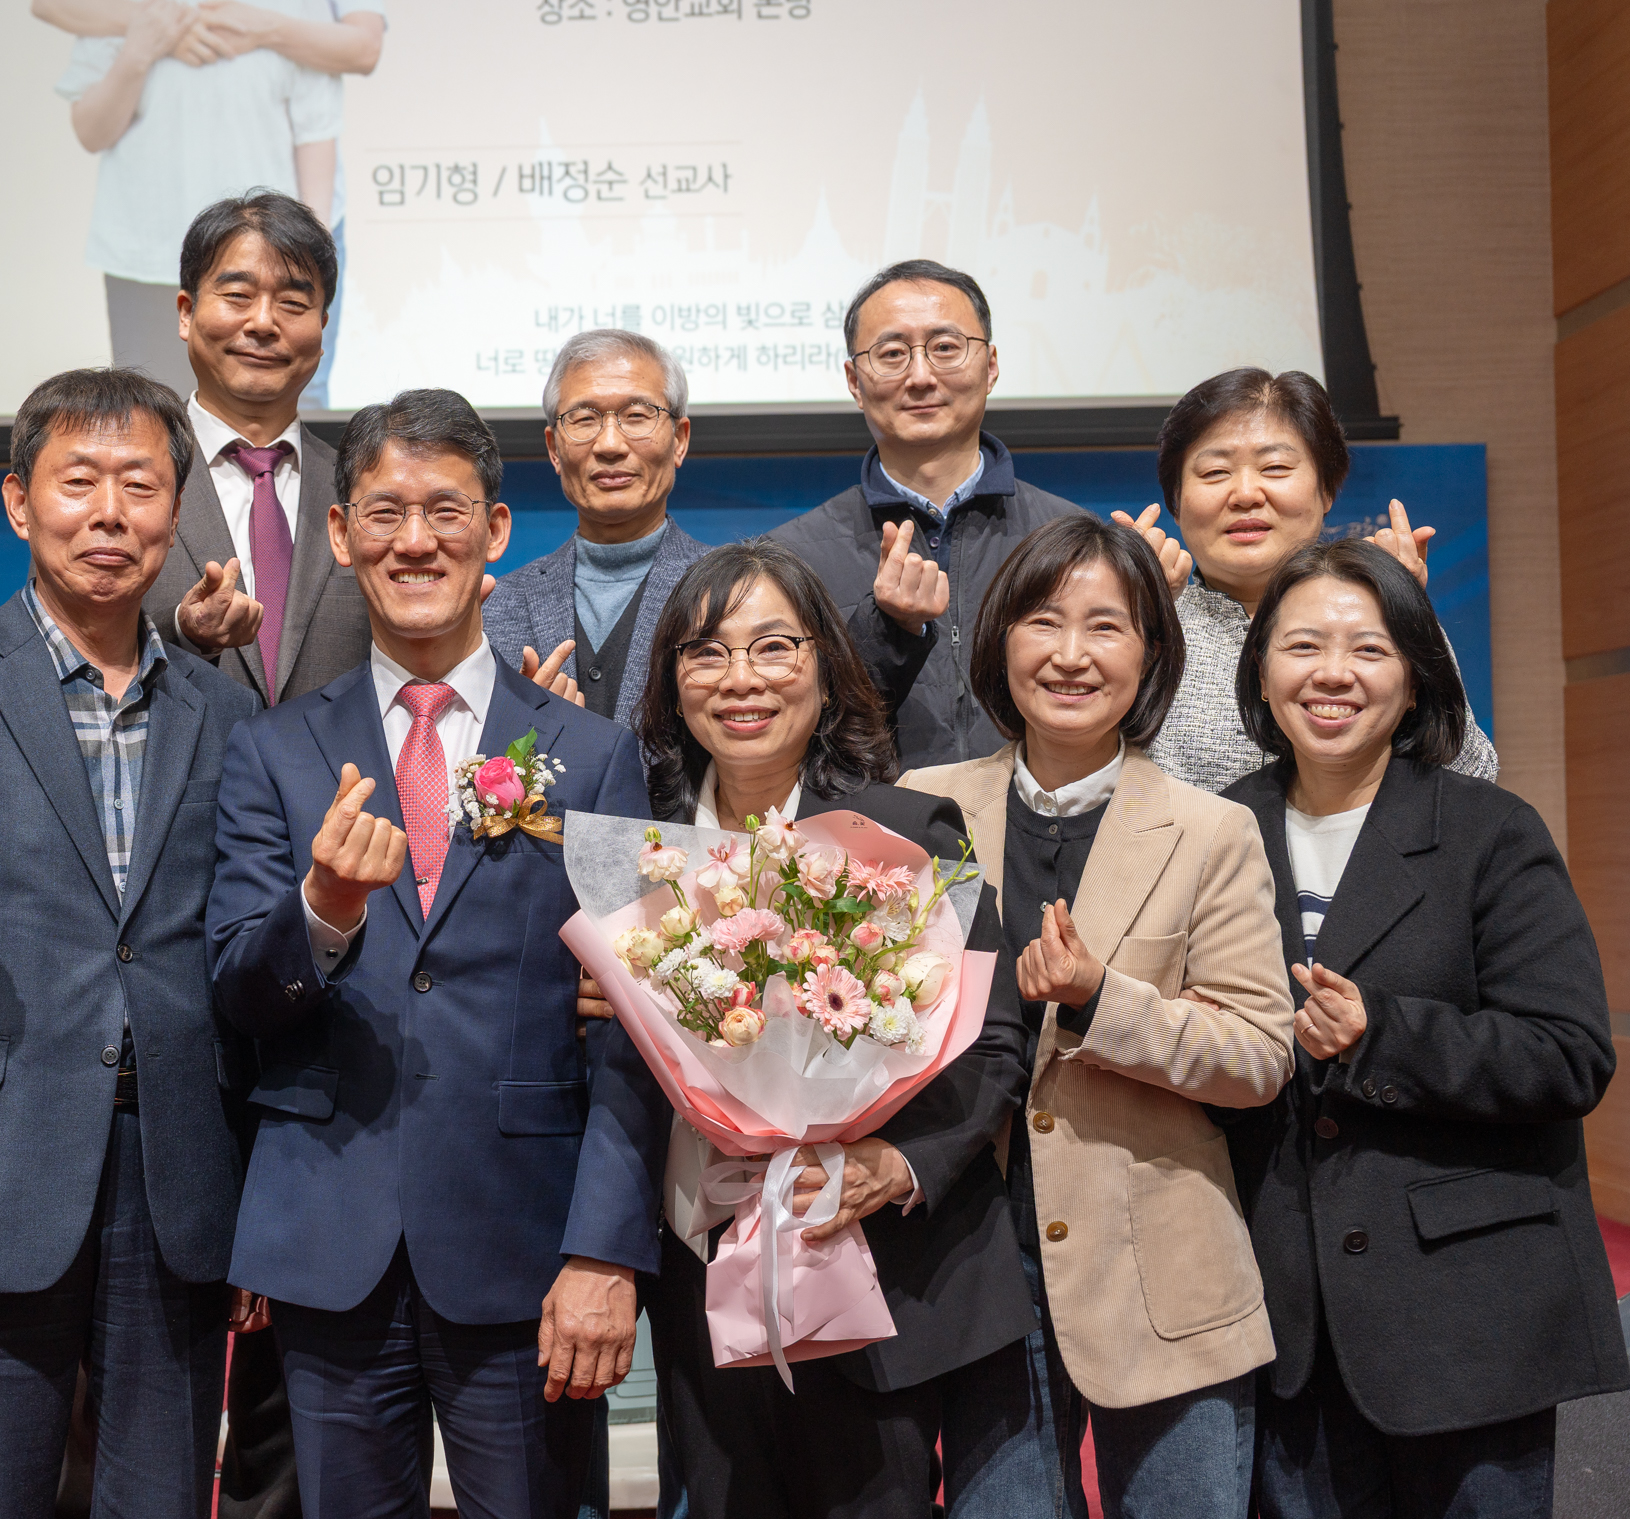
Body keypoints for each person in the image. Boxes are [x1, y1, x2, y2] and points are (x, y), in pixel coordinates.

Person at [206, 388, 667, 1518]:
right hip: (329, 1239)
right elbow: (238, 994)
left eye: (446, 510)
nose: (416, 540)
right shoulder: (270, 750)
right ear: (339, 533)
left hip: (530, 1246)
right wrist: (323, 908)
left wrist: (606, 1251)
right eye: (386, 512)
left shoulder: (593, 756)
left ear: (495, 529)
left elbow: (639, 1032)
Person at [0, 368, 259, 1518]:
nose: (110, 513)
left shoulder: (224, 709)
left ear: (175, 513)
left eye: (141, 485)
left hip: (176, 1175)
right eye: (79, 481)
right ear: (19, 501)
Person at [610, 540, 1034, 1517]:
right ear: (671, 681)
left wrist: (900, 1161)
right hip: (702, 1279)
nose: (741, 679)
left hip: (882, 1281)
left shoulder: (917, 830)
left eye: (774, 646)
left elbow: (998, 1034)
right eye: (706, 652)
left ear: (826, 667)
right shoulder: (636, 850)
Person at [1217, 539, 1628, 1518]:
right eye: (1302, 646)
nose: (1332, 673)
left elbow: (1570, 1053)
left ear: (1413, 681)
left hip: (1469, 1315)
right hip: (1285, 1320)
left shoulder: (1490, 830)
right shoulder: (1216, 831)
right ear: (1261, 673)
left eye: (1369, 649)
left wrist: (1383, 1035)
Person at [902, 514, 1297, 1518]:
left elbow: (1259, 1054)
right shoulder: (923, 806)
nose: (1070, 654)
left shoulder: (1211, 831)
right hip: (975, 1274)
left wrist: (1102, 1000)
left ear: (1150, 652)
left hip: (1164, 1277)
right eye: (1043, 621)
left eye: (1105, 626)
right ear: (1000, 642)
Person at [769, 258, 1083, 771]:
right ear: (854, 380)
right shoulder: (788, 559)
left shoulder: (1070, 540)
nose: (920, 376)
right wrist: (887, 630)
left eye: (945, 348)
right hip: (866, 819)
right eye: (892, 354)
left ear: (991, 365)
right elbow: (788, 728)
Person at [1125, 367, 1497, 792]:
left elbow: (1471, 776)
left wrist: (1405, 614)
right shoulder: (1144, 622)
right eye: (1214, 472)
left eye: (1275, 467)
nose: (1245, 494)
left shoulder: (1380, 616)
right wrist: (1132, 614)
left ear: (1327, 491)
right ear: (1175, 501)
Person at [31, 0, 387, 410]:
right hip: (145, 259)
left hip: (275, 257)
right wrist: (144, 44)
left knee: (296, 404)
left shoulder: (296, 16)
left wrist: (307, 263)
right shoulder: (128, 13)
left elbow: (317, 132)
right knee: (150, 413)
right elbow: (91, 130)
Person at [135, 190, 370, 712]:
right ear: (186, 313)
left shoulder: (364, 493)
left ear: (322, 328)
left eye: (293, 304)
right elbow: (66, 634)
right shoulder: (124, 482)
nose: (263, 323)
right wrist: (184, 633)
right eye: (238, 296)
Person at [483, 329, 712, 728]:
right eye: (585, 419)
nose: (609, 444)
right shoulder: (495, 607)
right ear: (554, 449)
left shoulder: (733, 592)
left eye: (637, 416)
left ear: (679, 440)